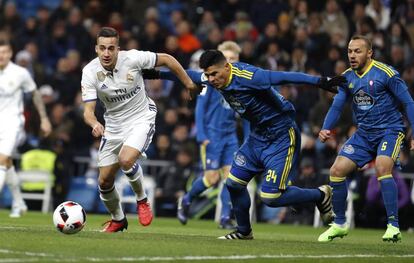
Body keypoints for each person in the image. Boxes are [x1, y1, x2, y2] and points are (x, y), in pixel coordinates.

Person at [160, 49, 344, 239]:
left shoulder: (250, 76)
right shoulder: (212, 79)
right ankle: (244, 232)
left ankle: (321, 195)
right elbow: (188, 75)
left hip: (281, 136)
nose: (211, 79)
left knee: (270, 197)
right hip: (257, 137)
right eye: (208, 75)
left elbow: (282, 77)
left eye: (214, 73)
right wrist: (156, 73)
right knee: (233, 184)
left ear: (226, 66)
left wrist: (321, 81)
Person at [81, 27, 196, 232]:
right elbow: (88, 112)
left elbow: (168, 59)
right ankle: (118, 219)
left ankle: (142, 200)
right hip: (113, 126)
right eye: (102, 48)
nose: (106, 53)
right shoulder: (90, 72)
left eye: (111, 48)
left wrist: (188, 83)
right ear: (96, 49)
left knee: (126, 159)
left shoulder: (133, 59)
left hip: (141, 117)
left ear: (118, 49)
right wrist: (95, 123)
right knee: (104, 182)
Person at [317, 35, 414, 243]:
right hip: (364, 134)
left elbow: (408, 102)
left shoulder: (386, 73)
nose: (352, 55)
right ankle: (340, 224)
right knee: (336, 170)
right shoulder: (347, 77)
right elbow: (337, 105)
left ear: (370, 53)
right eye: (350, 51)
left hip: (390, 130)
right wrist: (326, 128)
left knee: (382, 167)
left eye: (357, 51)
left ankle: (393, 225)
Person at [179, 41, 244, 229]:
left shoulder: (239, 83)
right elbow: (200, 109)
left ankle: (225, 218)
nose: (229, 62)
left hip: (230, 136)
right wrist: (202, 135)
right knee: (211, 179)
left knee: (231, 179)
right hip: (212, 136)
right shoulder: (210, 81)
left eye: (233, 59)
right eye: (226, 58)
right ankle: (186, 199)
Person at [0, 39, 52, 217]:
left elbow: (35, 94)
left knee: (1, 159)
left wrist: (44, 119)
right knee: (6, 163)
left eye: (5, 52)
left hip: (13, 123)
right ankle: (19, 202)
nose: (2, 55)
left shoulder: (20, 73)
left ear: (11, 53)